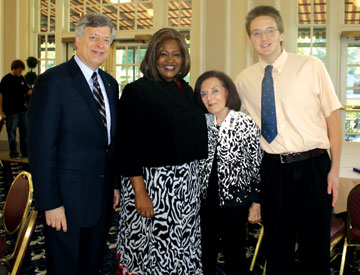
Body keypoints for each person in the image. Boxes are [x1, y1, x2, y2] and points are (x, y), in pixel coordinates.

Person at [235, 5, 342, 275]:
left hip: (313, 166)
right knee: (277, 248)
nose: (263, 37)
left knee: (314, 248)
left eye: (269, 30)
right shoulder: (244, 80)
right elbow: (244, 134)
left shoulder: (310, 66)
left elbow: (333, 119)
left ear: (281, 34)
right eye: (256, 33)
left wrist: (335, 170)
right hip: (272, 170)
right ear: (250, 39)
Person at [27, 13, 119, 275]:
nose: (101, 45)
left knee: (92, 264)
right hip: (65, 202)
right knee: (65, 268)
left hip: (100, 198)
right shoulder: (52, 82)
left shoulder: (110, 85)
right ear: (78, 40)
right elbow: (41, 148)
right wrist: (50, 202)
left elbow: (108, 142)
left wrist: (113, 184)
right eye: (94, 38)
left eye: (106, 40)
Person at [116, 27, 208, 275]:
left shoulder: (186, 90)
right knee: (151, 253)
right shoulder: (137, 91)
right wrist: (139, 192)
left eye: (176, 55)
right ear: (153, 58)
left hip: (186, 188)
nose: (170, 61)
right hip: (152, 187)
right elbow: (127, 146)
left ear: (184, 59)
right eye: (163, 55)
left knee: (181, 248)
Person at [194, 71, 263, 275]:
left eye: (215, 91)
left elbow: (257, 166)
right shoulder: (201, 123)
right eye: (204, 93)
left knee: (235, 255)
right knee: (205, 253)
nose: (210, 97)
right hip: (206, 202)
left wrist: (256, 203)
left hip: (235, 203)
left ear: (228, 92)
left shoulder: (245, 123)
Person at [0, 59, 31, 159]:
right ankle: (13, 153)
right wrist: (1, 111)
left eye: (21, 70)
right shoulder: (6, 80)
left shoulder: (21, 78)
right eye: (19, 70)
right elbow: (1, 96)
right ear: (13, 69)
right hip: (11, 111)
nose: (20, 72)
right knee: (12, 133)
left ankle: (25, 153)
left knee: (24, 132)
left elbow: (27, 91)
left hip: (22, 110)